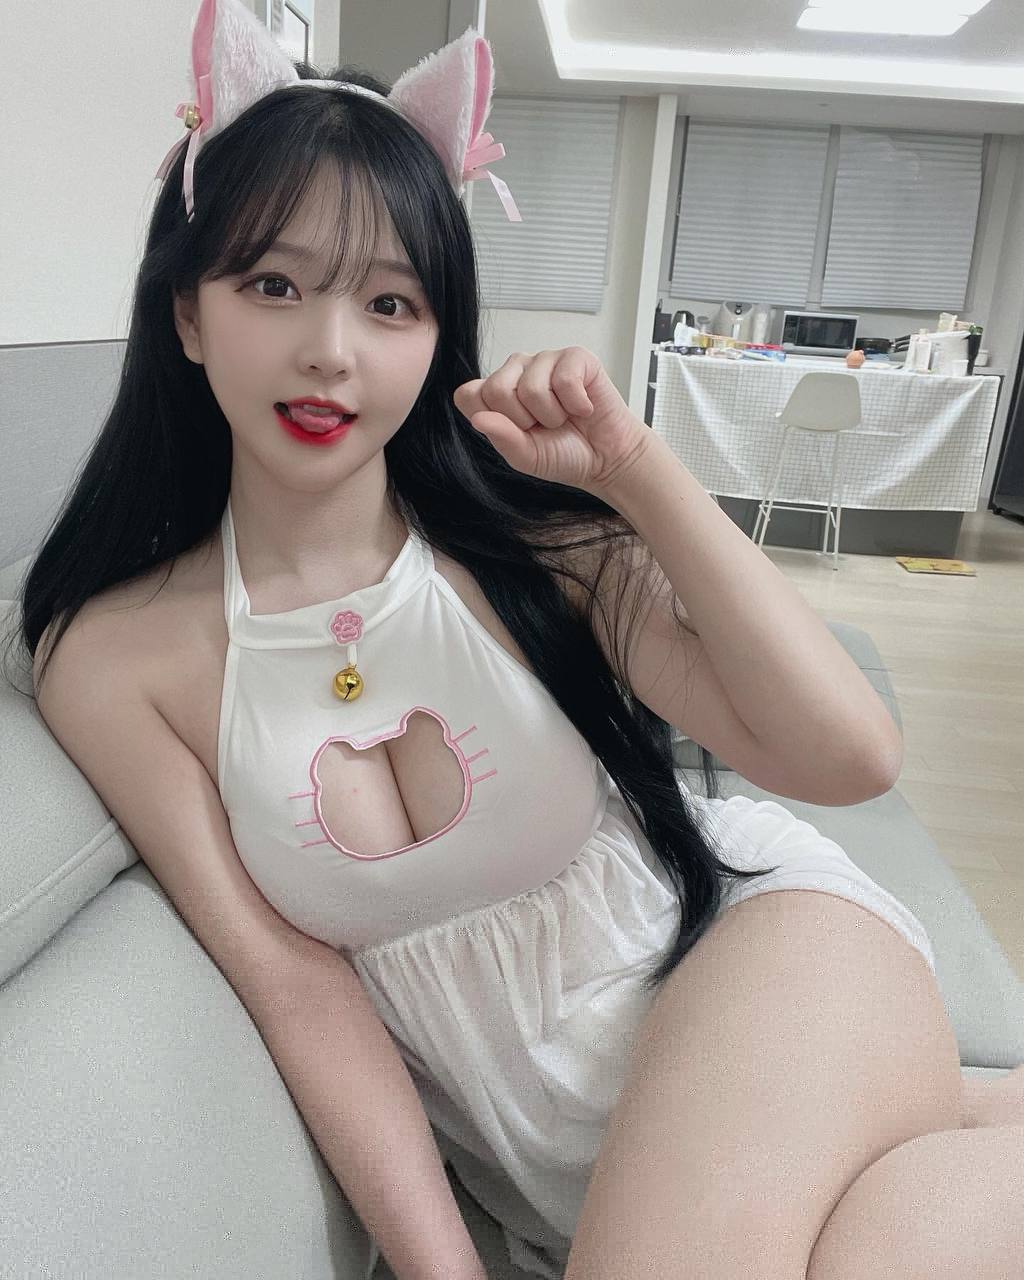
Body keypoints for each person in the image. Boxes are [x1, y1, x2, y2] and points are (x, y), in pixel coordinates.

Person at [6, 2, 1023, 1278]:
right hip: (595, 1177)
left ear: (437, 336)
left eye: (390, 301)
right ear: (188, 312)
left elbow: (848, 754)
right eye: (273, 284)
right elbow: (293, 982)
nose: (330, 351)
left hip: (766, 964)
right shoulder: (113, 660)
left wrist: (637, 470)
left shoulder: (530, 549)